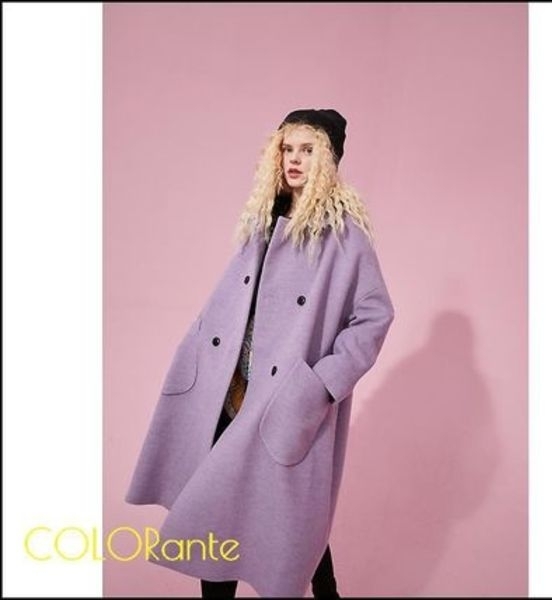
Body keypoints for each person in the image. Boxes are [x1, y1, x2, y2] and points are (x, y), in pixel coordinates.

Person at [126, 109, 395, 598]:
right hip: (227, 386)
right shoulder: (263, 217)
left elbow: (375, 315)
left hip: (282, 395)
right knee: (219, 506)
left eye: (307, 150)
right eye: (287, 148)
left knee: (292, 513)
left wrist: (321, 383)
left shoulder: (343, 235)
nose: (294, 160)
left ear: (328, 158)